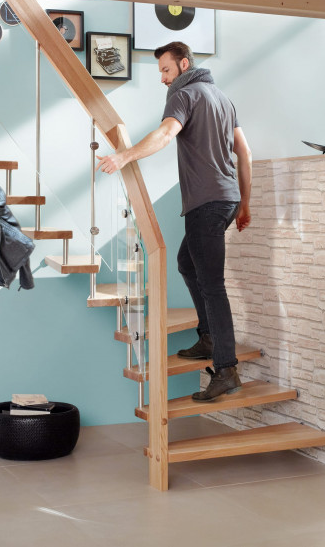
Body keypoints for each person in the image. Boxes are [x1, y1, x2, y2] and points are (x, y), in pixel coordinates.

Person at [96, 41, 252, 402]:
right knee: (186, 262)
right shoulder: (222, 98)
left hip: (207, 202)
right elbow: (244, 151)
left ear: (183, 65)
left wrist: (125, 157)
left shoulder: (184, 94)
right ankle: (209, 336)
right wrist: (245, 203)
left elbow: (166, 134)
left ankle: (226, 368)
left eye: (166, 70)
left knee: (213, 285)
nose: (163, 79)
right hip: (226, 200)